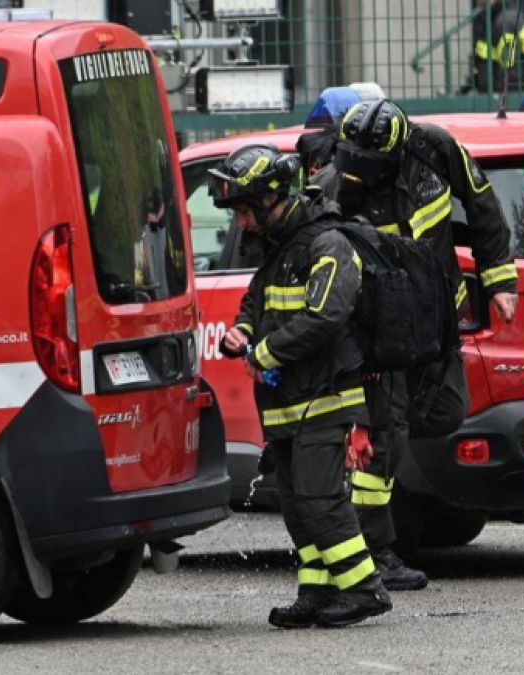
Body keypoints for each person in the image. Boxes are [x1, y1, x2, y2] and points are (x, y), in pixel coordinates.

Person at [320, 98, 520, 590]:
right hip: (382, 330)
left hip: (435, 320)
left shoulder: (436, 149)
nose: (358, 171)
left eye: (369, 164)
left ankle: (379, 462)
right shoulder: (339, 182)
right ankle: (375, 548)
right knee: (388, 430)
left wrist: (499, 281)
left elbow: (483, 206)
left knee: (448, 411)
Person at [210, 144, 393, 629]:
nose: (241, 223)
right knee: (295, 505)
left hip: (326, 398)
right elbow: (257, 300)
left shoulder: (327, 244)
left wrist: (265, 353)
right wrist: (243, 333)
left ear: (273, 199)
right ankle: (316, 590)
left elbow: (327, 314)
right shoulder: (277, 249)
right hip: (290, 404)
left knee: (319, 498)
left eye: (245, 210)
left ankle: (363, 588)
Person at [472, 0, 524, 93]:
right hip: (494, 87)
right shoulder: (486, 16)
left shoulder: (504, 21)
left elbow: (508, 63)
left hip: (503, 90)